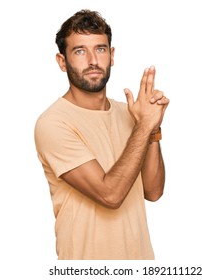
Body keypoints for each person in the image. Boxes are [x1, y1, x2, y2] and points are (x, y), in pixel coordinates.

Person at [34, 9, 170, 260]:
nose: (92, 60)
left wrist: (153, 127)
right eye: (79, 51)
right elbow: (110, 194)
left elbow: (153, 191)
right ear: (62, 61)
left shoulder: (129, 114)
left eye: (100, 49)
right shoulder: (53, 123)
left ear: (112, 55)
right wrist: (143, 126)